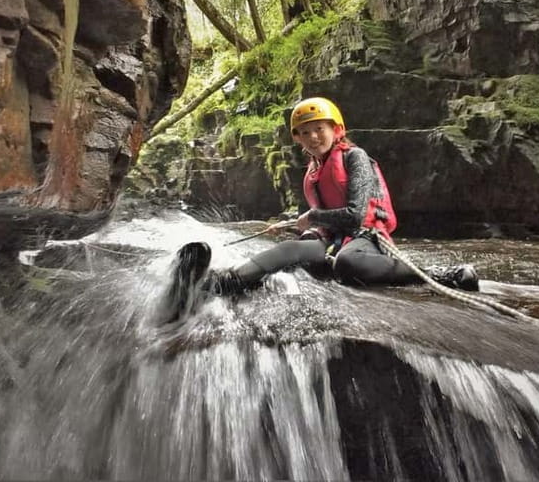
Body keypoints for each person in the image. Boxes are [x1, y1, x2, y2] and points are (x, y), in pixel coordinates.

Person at [166, 97, 478, 320]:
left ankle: (442, 276)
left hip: (368, 240)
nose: (313, 136)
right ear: (298, 138)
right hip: (336, 242)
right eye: (305, 131)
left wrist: (312, 217)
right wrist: (301, 227)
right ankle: (218, 284)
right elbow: (325, 222)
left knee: (347, 263)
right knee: (289, 251)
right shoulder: (313, 171)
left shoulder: (355, 158)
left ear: (336, 129)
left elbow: (355, 215)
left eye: (320, 128)